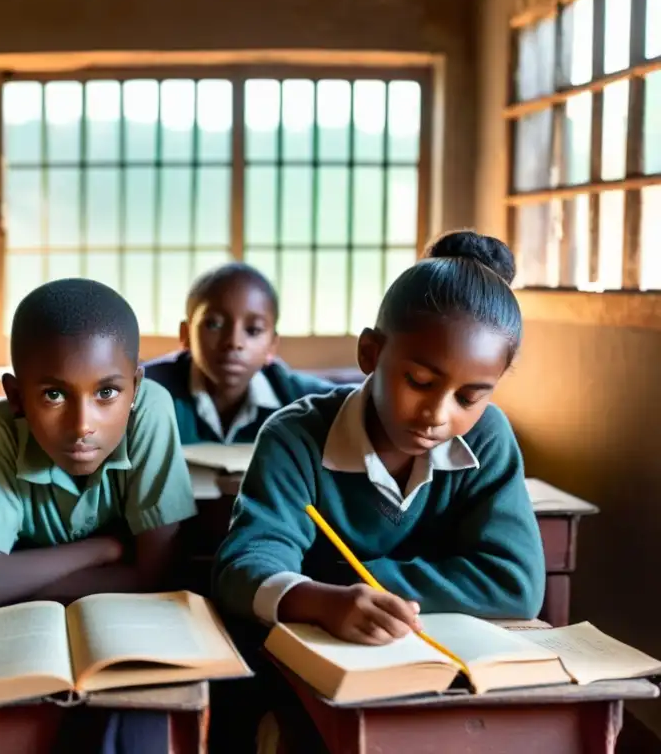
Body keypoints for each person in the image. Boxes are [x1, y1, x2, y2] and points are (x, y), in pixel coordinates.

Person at [212, 232, 546, 752]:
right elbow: (242, 567)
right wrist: (320, 601)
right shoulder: (294, 436)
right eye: (418, 380)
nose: (438, 414)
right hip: (317, 676)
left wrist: (349, 577)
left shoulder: (488, 437)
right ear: (371, 352)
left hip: (436, 677)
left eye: (470, 396)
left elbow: (514, 584)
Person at [0, 278, 198, 609]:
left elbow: (155, 578)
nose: (82, 425)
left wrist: (21, 585)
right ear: (16, 397)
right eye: (54, 395)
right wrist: (103, 550)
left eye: (106, 393)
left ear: (135, 388)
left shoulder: (150, 409)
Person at [143, 263, 336, 444]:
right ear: (186, 335)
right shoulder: (145, 392)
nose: (234, 342)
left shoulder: (307, 402)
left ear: (272, 346)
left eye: (253, 330)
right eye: (214, 324)